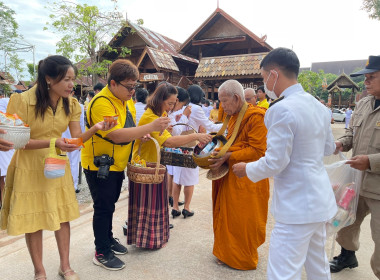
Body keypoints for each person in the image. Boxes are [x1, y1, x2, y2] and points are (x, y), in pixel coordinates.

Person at [0, 55, 112, 280]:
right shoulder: (21, 101)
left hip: (55, 164)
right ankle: (39, 272)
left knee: (62, 217)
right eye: (66, 79)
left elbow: (75, 140)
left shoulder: (71, 104)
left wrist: (97, 128)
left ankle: (65, 266)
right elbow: (18, 142)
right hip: (28, 166)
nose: (72, 85)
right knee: (33, 219)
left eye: (73, 79)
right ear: (49, 79)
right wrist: (52, 142)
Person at [232, 47, 337, 280]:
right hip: (319, 201)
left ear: (274, 74)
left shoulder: (281, 110)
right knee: (318, 266)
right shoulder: (319, 107)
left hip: (296, 205)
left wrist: (246, 168)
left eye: (263, 77)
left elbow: (276, 162)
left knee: (283, 272)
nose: (264, 83)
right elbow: (329, 148)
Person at [80, 59, 170, 271]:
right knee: (102, 207)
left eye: (135, 87)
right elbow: (117, 134)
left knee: (110, 205)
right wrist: (151, 126)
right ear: (112, 83)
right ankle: (101, 251)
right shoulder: (102, 102)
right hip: (99, 165)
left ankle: (108, 239)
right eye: (129, 87)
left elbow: (128, 127)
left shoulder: (124, 100)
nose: (132, 91)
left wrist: (143, 133)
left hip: (118, 163)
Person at [128, 82, 212, 249]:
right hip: (147, 164)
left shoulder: (159, 114)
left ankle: (155, 238)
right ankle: (149, 240)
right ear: (160, 100)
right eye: (170, 103)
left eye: (174, 103)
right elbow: (169, 140)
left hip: (156, 163)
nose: (172, 107)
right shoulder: (152, 117)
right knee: (149, 203)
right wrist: (195, 135)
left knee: (156, 202)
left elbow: (167, 135)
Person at [207, 80, 269, 270]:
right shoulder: (232, 115)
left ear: (236, 98)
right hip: (229, 172)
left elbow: (259, 150)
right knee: (226, 215)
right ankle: (225, 252)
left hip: (247, 176)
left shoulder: (256, 117)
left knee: (242, 218)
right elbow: (230, 139)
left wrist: (229, 155)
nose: (222, 106)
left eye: (224, 102)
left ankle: (243, 257)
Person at [329, 55, 380, 279]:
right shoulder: (363, 103)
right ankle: (348, 254)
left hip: (378, 187)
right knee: (346, 221)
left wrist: (371, 161)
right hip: (356, 180)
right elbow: (352, 133)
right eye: (365, 78)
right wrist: (342, 143)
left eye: (372, 77)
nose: (366, 82)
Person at [171, 85, 222, 219]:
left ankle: (175, 206)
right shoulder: (196, 108)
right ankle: (186, 207)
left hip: (176, 145)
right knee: (189, 179)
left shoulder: (179, 107)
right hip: (189, 146)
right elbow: (209, 126)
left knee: (177, 177)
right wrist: (226, 125)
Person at [167, 86, 191, 208]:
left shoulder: (170, 113)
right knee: (173, 175)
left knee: (171, 173)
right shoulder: (170, 113)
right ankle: (174, 201)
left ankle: (171, 198)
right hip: (170, 146)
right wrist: (184, 116)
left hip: (168, 147)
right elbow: (176, 132)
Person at [62, 91, 85, 193]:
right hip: (72, 138)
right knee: (73, 162)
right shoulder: (78, 105)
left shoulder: (77, 106)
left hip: (65, 138)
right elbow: (81, 125)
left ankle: (69, 185)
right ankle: (73, 185)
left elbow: (81, 125)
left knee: (66, 162)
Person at [0, 96, 15, 208]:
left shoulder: (7, 101)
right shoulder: (5, 102)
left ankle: (7, 207)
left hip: (8, 141)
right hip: (7, 142)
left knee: (5, 177)